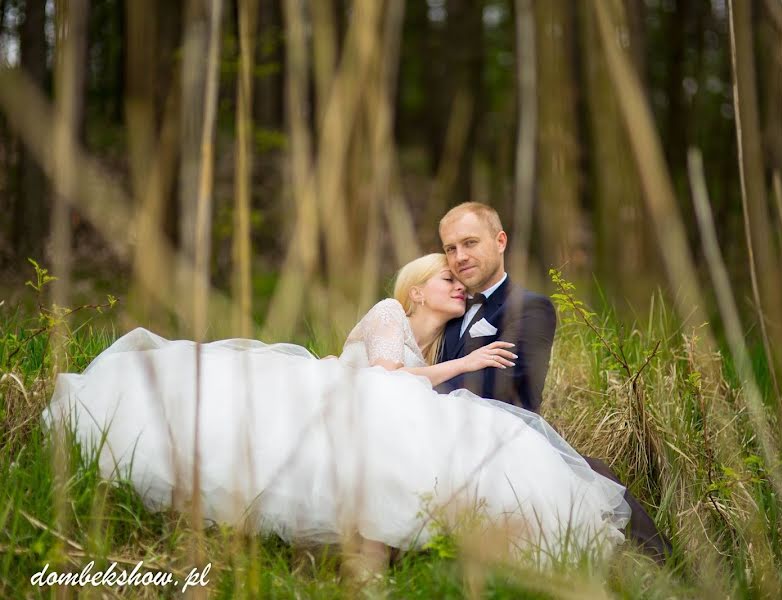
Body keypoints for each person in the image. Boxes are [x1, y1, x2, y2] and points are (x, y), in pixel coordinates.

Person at [43, 254, 630, 574]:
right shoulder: (386, 314)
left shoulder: (432, 348)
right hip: (333, 400)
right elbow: (383, 378)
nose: (458, 286)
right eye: (446, 278)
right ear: (417, 290)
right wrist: (461, 365)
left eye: (461, 280)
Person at [435, 202, 672, 563]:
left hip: (503, 441)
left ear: (500, 241)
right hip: (445, 446)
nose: (460, 257)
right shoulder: (449, 313)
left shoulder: (528, 308)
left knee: (592, 478)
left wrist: (430, 401)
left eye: (470, 243)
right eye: (450, 249)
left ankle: (664, 565)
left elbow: (514, 392)